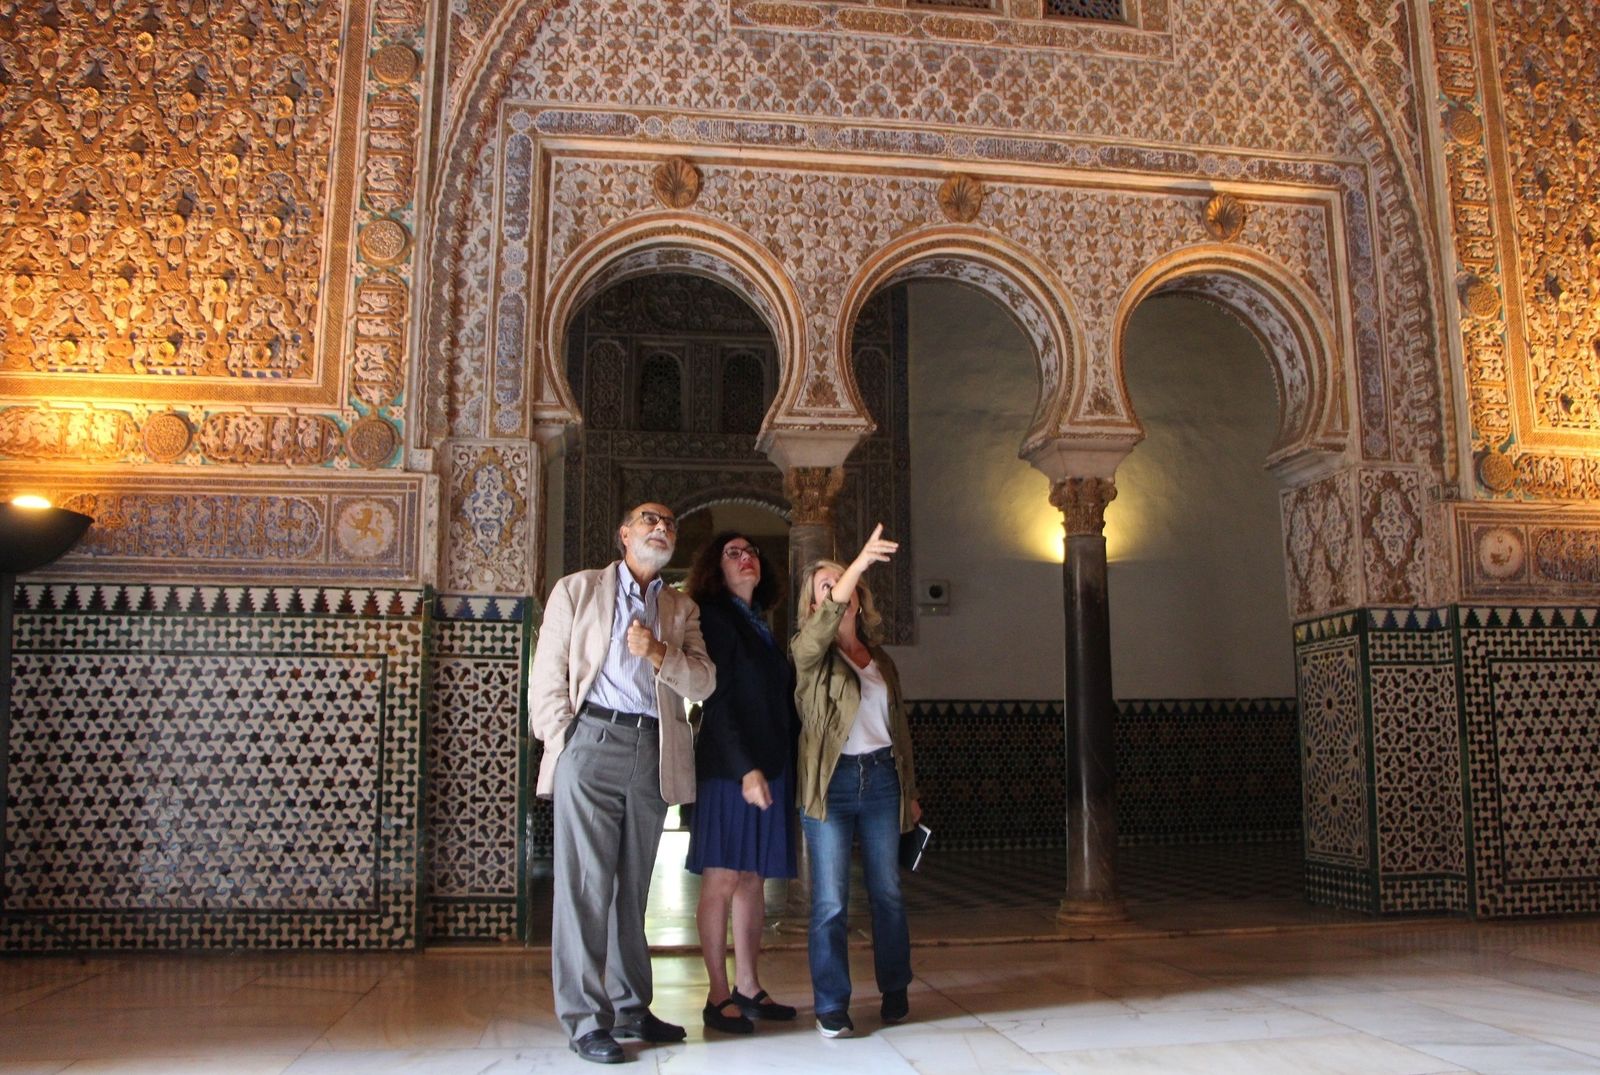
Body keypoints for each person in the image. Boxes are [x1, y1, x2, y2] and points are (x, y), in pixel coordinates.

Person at [528, 502, 716, 1065]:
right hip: (592, 742)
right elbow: (547, 674)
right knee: (586, 887)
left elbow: (703, 682)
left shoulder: (680, 607)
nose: (662, 528)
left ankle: (632, 1006)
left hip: (654, 751)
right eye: (649, 520)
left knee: (632, 889)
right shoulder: (577, 590)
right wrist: (565, 739)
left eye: (670, 524)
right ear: (624, 534)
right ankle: (587, 1021)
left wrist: (659, 652)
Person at [792, 524, 921, 1039]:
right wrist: (859, 561)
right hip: (832, 785)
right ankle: (831, 1005)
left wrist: (911, 793)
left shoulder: (880, 659)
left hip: (883, 779)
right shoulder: (809, 655)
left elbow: (899, 731)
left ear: (859, 599)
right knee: (830, 901)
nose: (837, 592)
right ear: (813, 606)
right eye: (826, 586)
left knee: (888, 892)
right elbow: (817, 634)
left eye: (843, 583)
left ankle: (895, 987)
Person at [683, 532, 800, 1035]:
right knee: (723, 877)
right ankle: (718, 995)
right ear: (717, 567)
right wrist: (744, 768)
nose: (745, 558)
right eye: (732, 553)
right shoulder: (715, 617)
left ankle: (749, 986)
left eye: (750, 552)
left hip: (768, 765)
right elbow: (717, 699)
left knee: (752, 878)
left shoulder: (758, 623)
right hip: (732, 769)